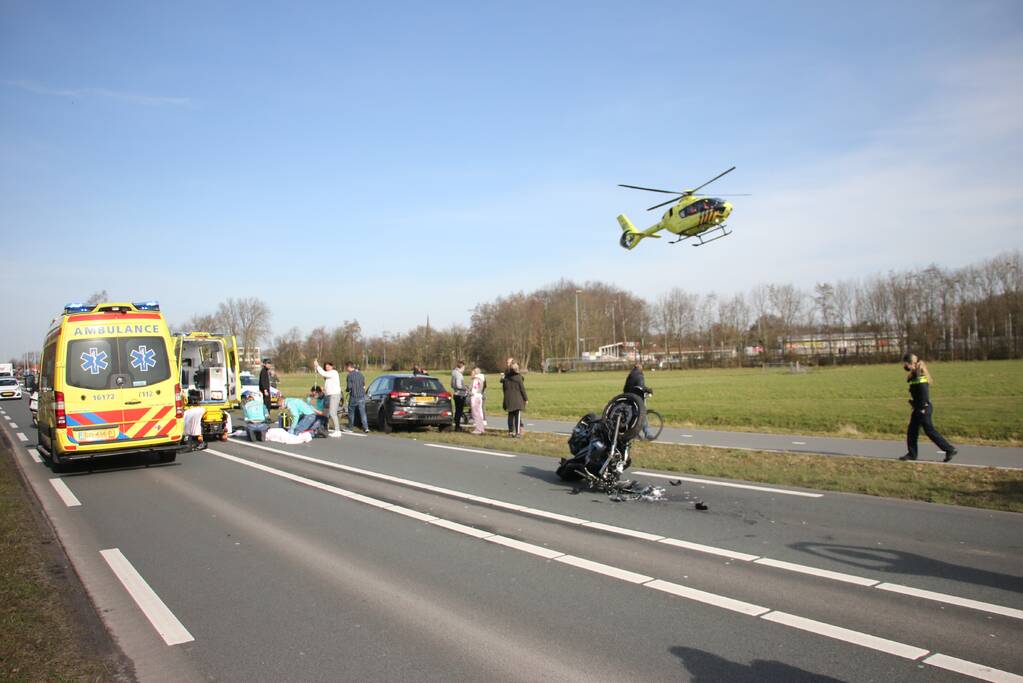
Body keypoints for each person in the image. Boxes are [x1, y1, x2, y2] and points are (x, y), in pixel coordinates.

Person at [899, 353, 957, 462]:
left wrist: (921, 407)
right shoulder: (916, 373)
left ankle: (949, 449)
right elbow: (912, 380)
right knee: (912, 431)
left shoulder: (919, 375)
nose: (904, 366)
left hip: (922, 408)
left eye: (906, 363)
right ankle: (912, 454)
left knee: (930, 431)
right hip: (919, 407)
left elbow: (923, 391)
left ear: (911, 363)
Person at [314, 359, 343, 436]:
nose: (327, 367)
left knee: (333, 413)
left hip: (335, 395)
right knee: (329, 412)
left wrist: (317, 366)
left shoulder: (334, 372)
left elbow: (323, 373)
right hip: (330, 395)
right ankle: (330, 427)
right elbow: (324, 376)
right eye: (326, 367)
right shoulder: (328, 375)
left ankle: (337, 431)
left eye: (328, 366)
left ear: (332, 366)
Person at [501, 361, 527, 437]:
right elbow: (522, 389)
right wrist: (526, 399)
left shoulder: (506, 378)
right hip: (517, 400)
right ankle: (517, 432)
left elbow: (504, 389)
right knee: (517, 417)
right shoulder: (518, 377)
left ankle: (510, 432)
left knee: (510, 416)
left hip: (508, 399)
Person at [345, 362, 368, 433]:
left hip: (354, 396)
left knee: (351, 412)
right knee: (362, 412)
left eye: (346, 367)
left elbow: (349, 387)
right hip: (361, 396)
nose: (346, 369)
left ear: (349, 367)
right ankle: (366, 427)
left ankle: (350, 427)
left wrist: (347, 390)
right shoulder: (361, 374)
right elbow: (364, 385)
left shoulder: (349, 375)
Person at [469, 367, 486, 435]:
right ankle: (481, 428)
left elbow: (474, 389)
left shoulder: (476, 380)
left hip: (475, 397)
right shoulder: (481, 379)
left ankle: (478, 429)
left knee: (476, 414)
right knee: (478, 413)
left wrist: (469, 392)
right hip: (479, 397)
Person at [451, 360, 467, 431]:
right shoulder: (459, 374)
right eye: (464, 368)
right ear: (462, 367)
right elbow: (458, 385)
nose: (464, 369)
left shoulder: (454, 373)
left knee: (457, 411)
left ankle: (457, 425)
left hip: (455, 394)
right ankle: (457, 427)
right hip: (460, 395)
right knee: (459, 411)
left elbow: (452, 384)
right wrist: (465, 388)